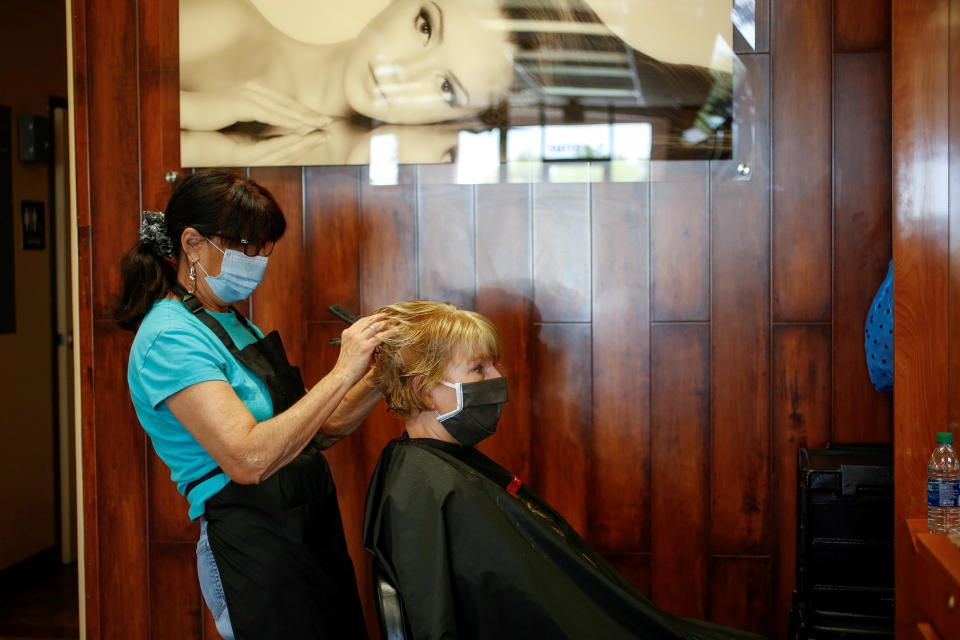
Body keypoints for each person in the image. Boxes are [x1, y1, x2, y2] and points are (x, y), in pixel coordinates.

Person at [362, 300, 763, 639]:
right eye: (479, 369)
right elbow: (436, 620)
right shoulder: (424, 484)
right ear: (422, 390)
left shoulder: (434, 466)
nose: (498, 378)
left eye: (494, 365)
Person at [117, 169, 395, 639]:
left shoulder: (232, 323)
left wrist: (379, 374)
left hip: (308, 530)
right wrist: (344, 370)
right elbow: (248, 458)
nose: (256, 258)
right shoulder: (169, 336)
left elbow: (319, 428)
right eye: (244, 244)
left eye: (263, 246)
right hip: (252, 544)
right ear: (192, 242)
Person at [179, 0, 732, 166]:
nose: (403, 75)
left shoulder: (360, 158)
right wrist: (192, 112)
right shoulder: (229, 28)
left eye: (446, 88)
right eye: (425, 26)